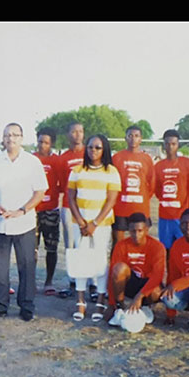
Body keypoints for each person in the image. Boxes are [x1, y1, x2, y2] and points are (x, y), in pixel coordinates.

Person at [0, 123, 48, 322]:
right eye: (7, 135)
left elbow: (40, 191)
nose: (11, 139)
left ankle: (26, 306)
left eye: (15, 135)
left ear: (21, 138)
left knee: (26, 266)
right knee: (0, 268)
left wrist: (22, 210)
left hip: (24, 223)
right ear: (3, 138)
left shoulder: (32, 162)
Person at [66, 134, 121, 322]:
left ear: (104, 149)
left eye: (97, 148)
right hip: (80, 224)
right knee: (81, 260)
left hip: (101, 225)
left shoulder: (111, 171)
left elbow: (111, 199)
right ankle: (80, 302)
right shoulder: (77, 170)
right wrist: (82, 222)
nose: (93, 151)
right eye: (90, 147)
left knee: (99, 261)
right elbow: (70, 197)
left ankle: (99, 300)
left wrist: (95, 223)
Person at [106, 212, 166, 327]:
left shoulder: (157, 246)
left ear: (146, 229)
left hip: (147, 284)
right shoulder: (121, 245)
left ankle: (145, 306)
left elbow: (157, 276)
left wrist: (140, 296)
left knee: (156, 292)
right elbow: (111, 275)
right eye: (133, 231)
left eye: (140, 231)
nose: (136, 235)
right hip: (130, 283)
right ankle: (120, 307)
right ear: (128, 229)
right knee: (119, 268)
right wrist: (111, 303)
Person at [153, 129, 189, 252]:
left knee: (185, 249)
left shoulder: (188, 164)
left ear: (178, 145)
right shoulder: (158, 166)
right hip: (165, 216)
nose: (170, 147)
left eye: (173, 144)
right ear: (164, 145)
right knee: (166, 249)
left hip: (182, 216)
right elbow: (157, 190)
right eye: (167, 144)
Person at [111, 125, 155, 246]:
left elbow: (151, 185)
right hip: (120, 207)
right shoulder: (116, 157)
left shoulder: (146, 159)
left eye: (136, 136)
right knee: (117, 242)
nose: (133, 139)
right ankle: (116, 264)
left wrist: (143, 197)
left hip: (140, 208)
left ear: (141, 139)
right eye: (130, 135)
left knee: (140, 242)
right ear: (125, 138)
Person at [57, 121, 86, 298]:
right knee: (71, 246)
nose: (77, 135)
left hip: (87, 206)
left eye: (80, 131)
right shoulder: (63, 158)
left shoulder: (90, 154)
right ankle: (73, 282)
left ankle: (90, 284)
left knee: (88, 245)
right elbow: (63, 184)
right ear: (68, 135)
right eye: (73, 131)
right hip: (69, 207)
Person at [33, 127, 61, 296]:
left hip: (51, 210)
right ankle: (31, 280)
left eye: (46, 142)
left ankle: (49, 281)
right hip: (32, 211)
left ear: (52, 144)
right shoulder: (31, 159)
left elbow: (63, 183)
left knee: (51, 247)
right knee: (32, 249)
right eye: (40, 142)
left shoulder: (57, 161)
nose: (42, 145)